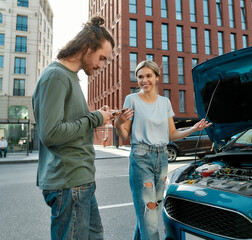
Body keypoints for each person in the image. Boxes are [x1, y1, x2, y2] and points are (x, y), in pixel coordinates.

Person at [32, 16, 115, 240]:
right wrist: (95, 118)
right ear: (87, 47)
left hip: (80, 181)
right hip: (69, 184)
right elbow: (51, 133)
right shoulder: (56, 77)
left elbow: (71, 124)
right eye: (101, 58)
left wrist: (97, 116)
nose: (101, 65)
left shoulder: (69, 77)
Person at [114, 60, 211, 240]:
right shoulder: (131, 99)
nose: (144, 80)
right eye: (140, 76)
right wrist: (118, 122)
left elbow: (172, 135)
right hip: (141, 157)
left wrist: (194, 128)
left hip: (162, 158)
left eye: (148, 75)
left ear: (157, 77)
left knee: (149, 215)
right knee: (149, 219)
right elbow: (124, 133)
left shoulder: (165, 102)